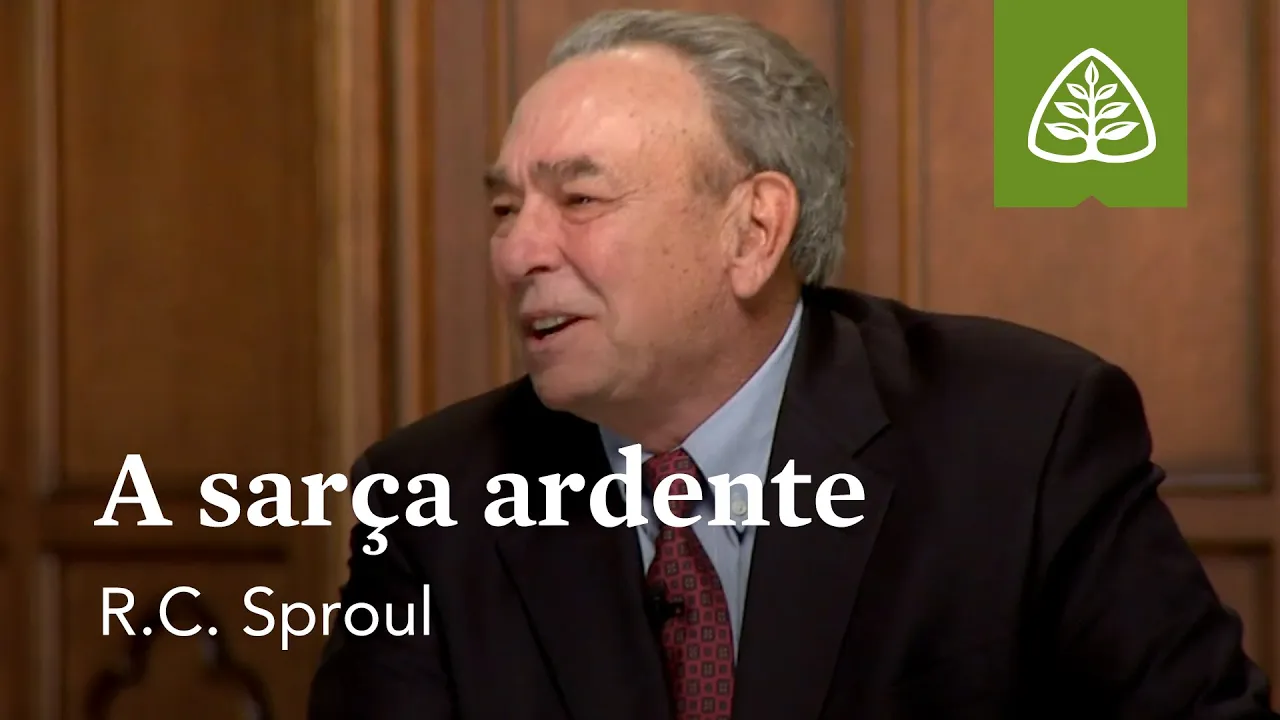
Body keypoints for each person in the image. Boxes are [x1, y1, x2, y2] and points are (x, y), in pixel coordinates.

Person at [307, 8, 1276, 719]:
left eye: (580, 201)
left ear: (753, 230)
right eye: (504, 209)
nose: (518, 252)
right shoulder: (435, 497)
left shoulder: (1022, 434)